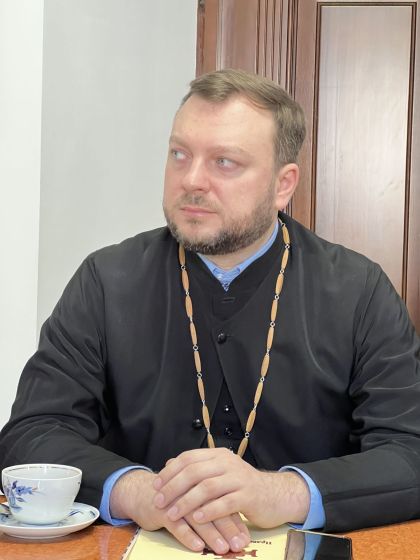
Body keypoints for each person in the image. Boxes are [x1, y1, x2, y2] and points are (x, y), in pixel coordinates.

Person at [1, 69, 420, 556]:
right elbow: (32, 433)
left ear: (283, 184)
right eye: (179, 154)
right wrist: (139, 492)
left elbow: (410, 451)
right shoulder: (106, 281)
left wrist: (281, 493)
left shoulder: (358, 291)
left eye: (224, 162)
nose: (191, 180)